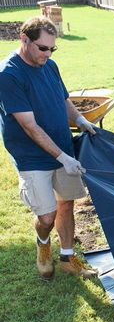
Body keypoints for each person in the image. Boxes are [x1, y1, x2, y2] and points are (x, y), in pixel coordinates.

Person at [0, 16, 99, 279]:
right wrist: (63, 157)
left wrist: (79, 119)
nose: (48, 53)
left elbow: (63, 98)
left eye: (52, 48)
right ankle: (43, 244)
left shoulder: (50, 65)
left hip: (62, 148)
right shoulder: (8, 75)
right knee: (47, 216)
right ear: (24, 40)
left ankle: (67, 257)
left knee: (66, 205)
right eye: (43, 47)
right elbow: (30, 127)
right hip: (32, 158)